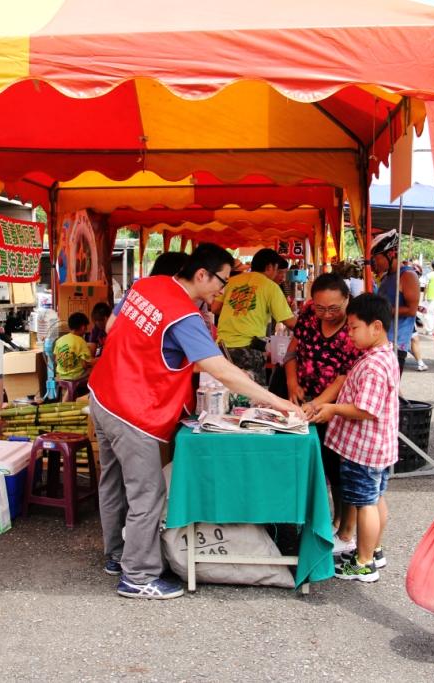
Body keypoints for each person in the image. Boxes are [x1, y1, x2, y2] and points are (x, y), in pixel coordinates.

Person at [88, 243, 304, 600]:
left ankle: (116, 556)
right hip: (132, 410)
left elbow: (113, 326)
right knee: (147, 493)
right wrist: (277, 402)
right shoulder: (184, 315)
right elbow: (220, 369)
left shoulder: (145, 285)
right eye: (222, 280)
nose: (224, 288)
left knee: (112, 483)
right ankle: (138, 576)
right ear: (201, 274)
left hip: (102, 395)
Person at [304, 293, 398, 583]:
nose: (349, 333)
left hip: (364, 450)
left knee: (365, 503)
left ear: (376, 327)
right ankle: (374, 550)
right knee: (375, 498)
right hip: (376, 448)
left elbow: (365, 410)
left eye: (354, 327)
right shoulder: (381, 356)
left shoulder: (372, 365)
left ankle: (364, 562)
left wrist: (332, 408)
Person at [283, 273, 361, 534]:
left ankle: (341, 525)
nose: (326, 314)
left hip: (335, 409)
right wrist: (292, 383)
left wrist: (317, 404)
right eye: (320, 308)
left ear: (347, 300)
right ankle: (309, 521)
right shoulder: (308, 316)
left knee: (336, 467)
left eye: (334, 308)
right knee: (304, 463)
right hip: (305, 400)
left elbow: (343, 377)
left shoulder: (353, 327)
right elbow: (292, 350)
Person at [215, 248, 297, 385]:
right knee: (252, 398)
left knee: (224, 393)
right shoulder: (270, 287)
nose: (277, 273)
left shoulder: (232, 281)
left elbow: (215, 308)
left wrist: (237, 310)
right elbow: (290, 323)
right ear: (270, 267)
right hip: (249, 350)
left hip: (221, 347)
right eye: (277, 269)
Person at [370, 230, 420, 376]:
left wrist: (381, 311)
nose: (375, 263)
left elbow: (411, 310)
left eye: (377, 258)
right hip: (382, 341)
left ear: (391, 254)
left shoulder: (407, 276)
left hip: (396, 344)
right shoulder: (387, 276)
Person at [53, 312, 94, 381]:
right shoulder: (81, 341)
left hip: (62, 376)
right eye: (86, 328)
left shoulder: (59, 340)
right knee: (93, 371)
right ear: (83, 327)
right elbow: (84, 365)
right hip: (76, 376)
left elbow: (56, 359)